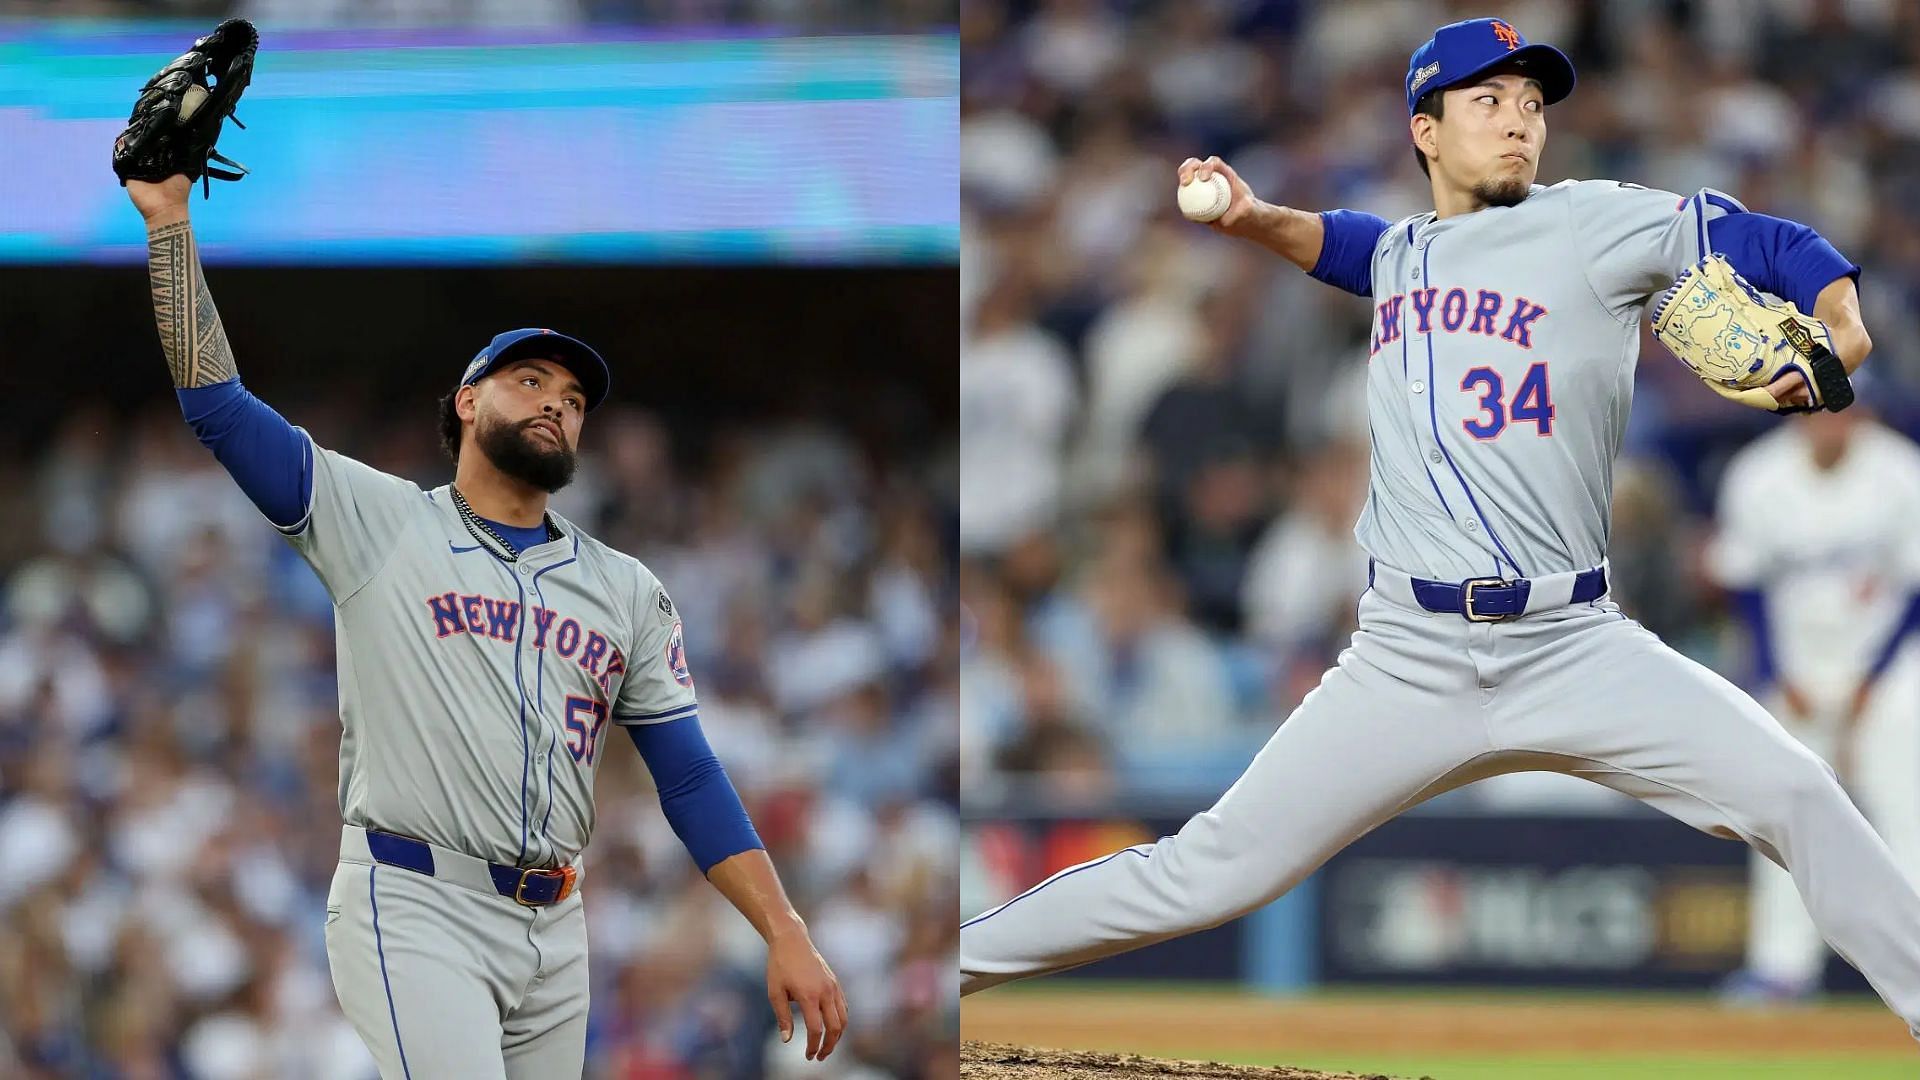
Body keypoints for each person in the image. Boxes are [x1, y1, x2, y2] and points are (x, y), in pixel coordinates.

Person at [958, 16, 1920, 1040]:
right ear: (1425, 129)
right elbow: (1346, 248)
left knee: (1801, 795)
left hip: (1575, 643)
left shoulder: (1596, 222)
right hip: (1407, 656)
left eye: (1532, 105)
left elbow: (1771, 241)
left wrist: (1843, 318)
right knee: (1207, 871)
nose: (1519, 123)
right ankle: (954, 972)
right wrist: (1252, 219)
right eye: (1488, 102)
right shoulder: (1403, 250)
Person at [124, 168, 846, 1077]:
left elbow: (689, 774)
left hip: (556, 928)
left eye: (574, 399)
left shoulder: (624, 587)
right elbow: (218, 409)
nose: (555, 402)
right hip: (417, 900)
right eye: (531, 380)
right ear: (468, 402)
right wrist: (168, 223)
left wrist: (784, 928)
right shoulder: (382, 522)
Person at [1709, 403, 1920, 1002]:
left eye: (1844, 410)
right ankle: (1781, 968)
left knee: (1908, 813)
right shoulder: (1758, 474)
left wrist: (1869, 682)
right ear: (1798, 414)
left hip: (1888, 671)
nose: (1831, 422)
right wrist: (1776, 674)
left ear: (1865, 414)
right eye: (1820, 410)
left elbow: (1914, 592)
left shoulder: (1902, 472)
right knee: (1782, 814)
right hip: (1796, 670)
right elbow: (1744, 587)